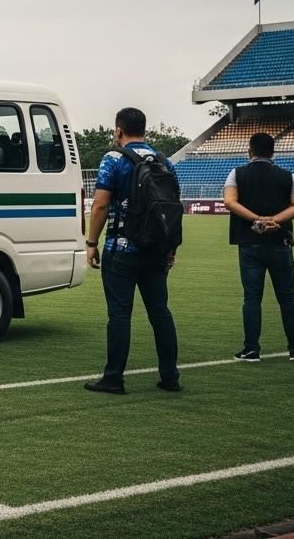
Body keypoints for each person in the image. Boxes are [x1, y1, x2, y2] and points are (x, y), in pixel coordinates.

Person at [83, 107, 181, 395]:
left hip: (121, 248)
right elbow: (174, 208)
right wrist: (170, 248)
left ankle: (114, 378)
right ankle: (170, 376)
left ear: (118, 130)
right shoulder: (165, 161)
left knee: (119, 314)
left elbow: (100, 204)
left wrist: (91, 243)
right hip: (156, 249)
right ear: (145, 130)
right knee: (160, 312)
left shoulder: (113, 159)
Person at [223, 132, 294, 363]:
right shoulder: (288, 176)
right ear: (273, 152)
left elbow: (230, 202)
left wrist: (257, 220)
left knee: (252, 298)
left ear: (250, 151)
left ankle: (251, 349)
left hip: (249, 243)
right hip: (279, 243)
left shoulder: (236, 173)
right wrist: (276, 220)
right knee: (288, 297)